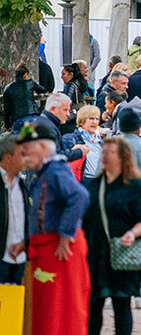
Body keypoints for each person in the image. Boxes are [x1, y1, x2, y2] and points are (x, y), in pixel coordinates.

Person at [20, 119, 91, 335]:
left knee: (59, 311)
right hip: (48, 247)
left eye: (27, 149)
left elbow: (79, 196)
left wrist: (65, 232)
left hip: (59, 250)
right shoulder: (47, 171)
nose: (24, 154)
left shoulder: (55, 170)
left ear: (42, 148)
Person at [83, 137, 141, 335]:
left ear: (122, 156)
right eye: (103, 152)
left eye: (109, 152)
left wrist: (132, 233)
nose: (104, 156)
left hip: (121, 252)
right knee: (93, 305)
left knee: (121, 304)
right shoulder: (95, 185)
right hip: (95, 253)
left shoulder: (135, 186)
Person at [0, 134, 27, 284]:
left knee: (15, 304)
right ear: (8, 157)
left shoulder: (21, 185)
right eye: (22, 154)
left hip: (19, 259)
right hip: (2, 258)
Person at [64, 105, 105, 182]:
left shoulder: (100, 139)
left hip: (99, 180)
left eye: (97, 119)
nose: (95, 122)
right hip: (82, 180)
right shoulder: (70, 139)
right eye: (91, 118)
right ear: (82, 121)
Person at [2, 63, 44, 128]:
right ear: (25, 75)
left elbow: (6, 109)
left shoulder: (8, 89)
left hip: (17, 119)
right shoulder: (30, 83)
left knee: (20, 137)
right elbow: (43, 90)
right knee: (34, 137)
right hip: (32, 117)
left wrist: (7, 124)